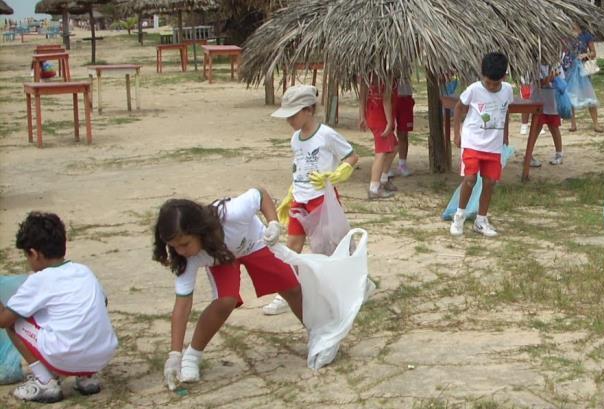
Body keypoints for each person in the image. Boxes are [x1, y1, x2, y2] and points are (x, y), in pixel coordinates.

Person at [154, 188, 304, 389]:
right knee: (225, 300)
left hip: (254, 242)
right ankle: (192, 356)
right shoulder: (187, 259)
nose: (180, 251)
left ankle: (319, 333)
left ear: (199, 230)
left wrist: (273, 223)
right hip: (222, 258)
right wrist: (174, 355)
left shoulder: (232, 213)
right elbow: (182, 306)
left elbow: (260, 194)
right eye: (173, 246)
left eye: (184, 244)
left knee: (292, 287)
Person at [0, 212, 118, 403]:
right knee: (80, 314)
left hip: (67, 355)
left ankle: (44, 381)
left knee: (16, 321)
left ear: (34, 254)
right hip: (101, 354)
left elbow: (3, 320)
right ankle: (86, 378)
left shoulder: (39, 280)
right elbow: (103, 302)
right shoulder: (83, 271)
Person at [264, 84, 358, 316]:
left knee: (329, 247)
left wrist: (339, 173)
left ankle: (352, 284)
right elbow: (299, 166)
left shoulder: (327, 134)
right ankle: (286, 292)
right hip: (300, 199)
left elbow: (352, 156)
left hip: (322, 199)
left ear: (309, 110)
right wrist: (290, 193)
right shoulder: (295, 138)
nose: (290, 121)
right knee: (292, 246)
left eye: (293, 115)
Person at [450, 52, 514, 238]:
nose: (492, 87)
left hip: (493, 145)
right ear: (482, 77)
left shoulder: (508, 90)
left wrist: (505, 135)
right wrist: (457, 133)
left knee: (490, 182)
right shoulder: (474, 90)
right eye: (488, 83)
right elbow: (459, 107)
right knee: (470, 179)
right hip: (472, 141)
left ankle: (481, 220)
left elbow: (506, 112)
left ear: (503, 77)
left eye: (496, 84)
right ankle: (459, 216)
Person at [360, 77, 398, 199]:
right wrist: (390, 122)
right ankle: (374, 188)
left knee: (395, 147)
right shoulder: (387, 75)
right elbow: (386, 99)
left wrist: (362, 115)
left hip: (372, 115)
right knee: (381, 152)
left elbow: (363, 95)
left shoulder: (367, 75)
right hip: (380, 118)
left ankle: (383, 179)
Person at [563, 23, 604, 133]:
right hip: (570, 69)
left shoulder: (586, 35)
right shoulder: (565, 34)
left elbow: (593, 53)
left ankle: (596, 123)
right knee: (570, 94)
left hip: (582, 70)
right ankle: (573, 124)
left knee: (589, 94)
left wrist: (585, 55)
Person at [530, 63, 565, 167]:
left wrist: (553, 78)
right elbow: (540, 83)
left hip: (552, 102)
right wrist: (549, 78)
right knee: (536, 128)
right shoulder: (536, 65)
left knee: (554, 127)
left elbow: (562, 80)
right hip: (539, 101)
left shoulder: (557, 65)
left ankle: (559, 154)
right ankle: (529, 155)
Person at [393, 77, 416, 177]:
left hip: (405, 96)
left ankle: (402, 164)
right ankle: (386, 166)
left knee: (403, 133)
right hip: (390, 96)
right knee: (388, 132)